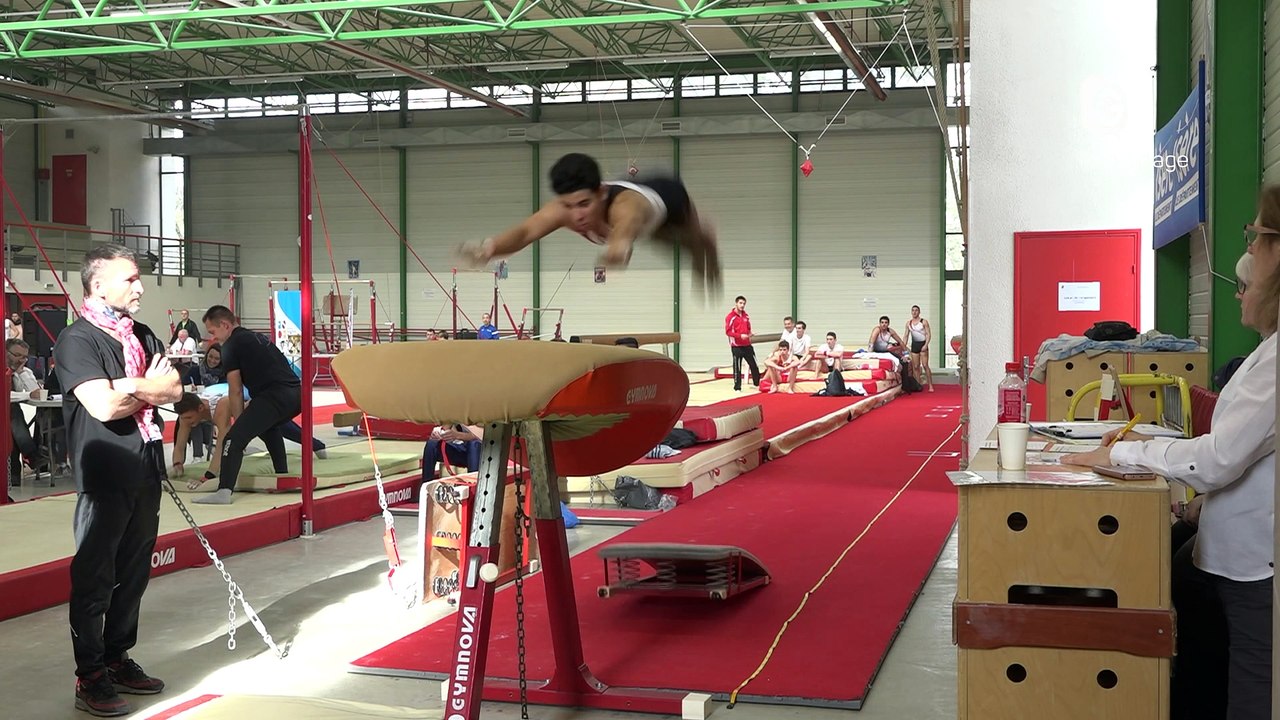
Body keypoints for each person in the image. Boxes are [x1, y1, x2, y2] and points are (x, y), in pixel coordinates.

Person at [1066, 212, 1280, 719]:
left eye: (1245, 282)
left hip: (1254, 566)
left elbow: (1218, 459)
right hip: (1230, 551)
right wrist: (1191, 501)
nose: (1237, 294)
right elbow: (1239, 453)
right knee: (1205, 667)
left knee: (1251, 690)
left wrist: (1123, 452)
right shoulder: (1265, 353)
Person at [54, 244, 182, 716]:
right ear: (98, 285)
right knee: (95, 578)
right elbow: (104, 406)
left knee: (133, 574)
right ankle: (90, 675)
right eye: (129, 279)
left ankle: (116, 657)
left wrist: (128, 386)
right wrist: (146, 388)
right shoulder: (77, 340)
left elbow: (175, 390)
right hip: (105, 475)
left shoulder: (142, 335)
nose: (140, 287)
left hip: (145, 468)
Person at [459, 152, 722, 291]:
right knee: (657, 239)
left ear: (601, 192)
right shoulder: (562, 211)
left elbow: (626, 228)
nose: (577, 216)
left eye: (584, 204)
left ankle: (706, 241)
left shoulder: (626, 206)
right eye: (568, 206)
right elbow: (525, 232)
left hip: (667, 198)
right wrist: (489, 249)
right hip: (637, 217)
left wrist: (617, 250)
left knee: (686, 242)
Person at [195, 305, 301, 505]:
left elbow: (235, 390)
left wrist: (239, 423)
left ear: (225, 325)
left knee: (233, 439)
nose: (213, 338)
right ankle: (282, 474)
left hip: (275, 396)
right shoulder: (256, 336)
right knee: (269, 428)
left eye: (213, 332)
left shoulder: (230, 346)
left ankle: (224, 491)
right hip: (296, 395)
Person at [724, 295, 760, 392]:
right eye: (740, 303)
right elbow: (728, 332)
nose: (742, 305)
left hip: (747, 345)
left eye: (744, 303)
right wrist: (740, 336)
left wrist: (750, 334)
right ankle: (737, 387)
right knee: (737, 367)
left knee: (754, 364)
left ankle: (757, 383)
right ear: (736, 303)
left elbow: (748, 328)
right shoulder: (730, 317)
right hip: (737, 346)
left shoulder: (746, 316)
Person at [905, 305, 934, 392]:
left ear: (919, 312)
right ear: (911, 312)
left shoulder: (923, 322)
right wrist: (903, 345)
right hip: (914, 345)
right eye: (913, 310)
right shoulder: (908, 323)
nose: (914, 312)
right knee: (916, 366)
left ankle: (930, 385)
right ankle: (918, 384)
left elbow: (928, 334)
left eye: (916, 310)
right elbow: (906, 335)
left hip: (923, 344)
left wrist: (926, 344)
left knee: (925, 365)